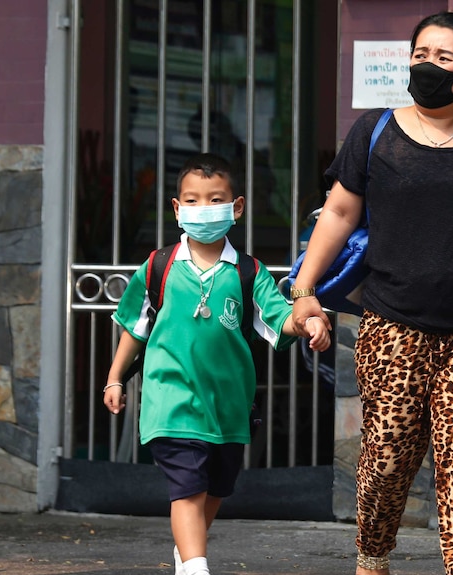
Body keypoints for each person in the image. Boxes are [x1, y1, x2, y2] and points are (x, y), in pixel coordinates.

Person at [288, 12, 453, 575]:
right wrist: (304, 288)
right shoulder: (374, 131)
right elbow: (339, 212)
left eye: (444, 57)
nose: (427, 65)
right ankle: (372, 555)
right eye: (420, 53)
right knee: (386, 459)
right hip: (392, 323)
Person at [103, 153, 330, 575]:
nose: (203, 209)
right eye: (192, 200)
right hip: (169, 399)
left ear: (236, 207)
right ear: (176, 208)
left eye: (215, 199)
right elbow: (135, 328)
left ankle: (188, 549)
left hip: (228, 405)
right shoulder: (158, 266)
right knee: (187, 486)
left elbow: (279, 317)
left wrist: (307, 321)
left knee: (216, 487)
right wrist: (115, 379)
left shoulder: (249, 272)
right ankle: (195, 567)